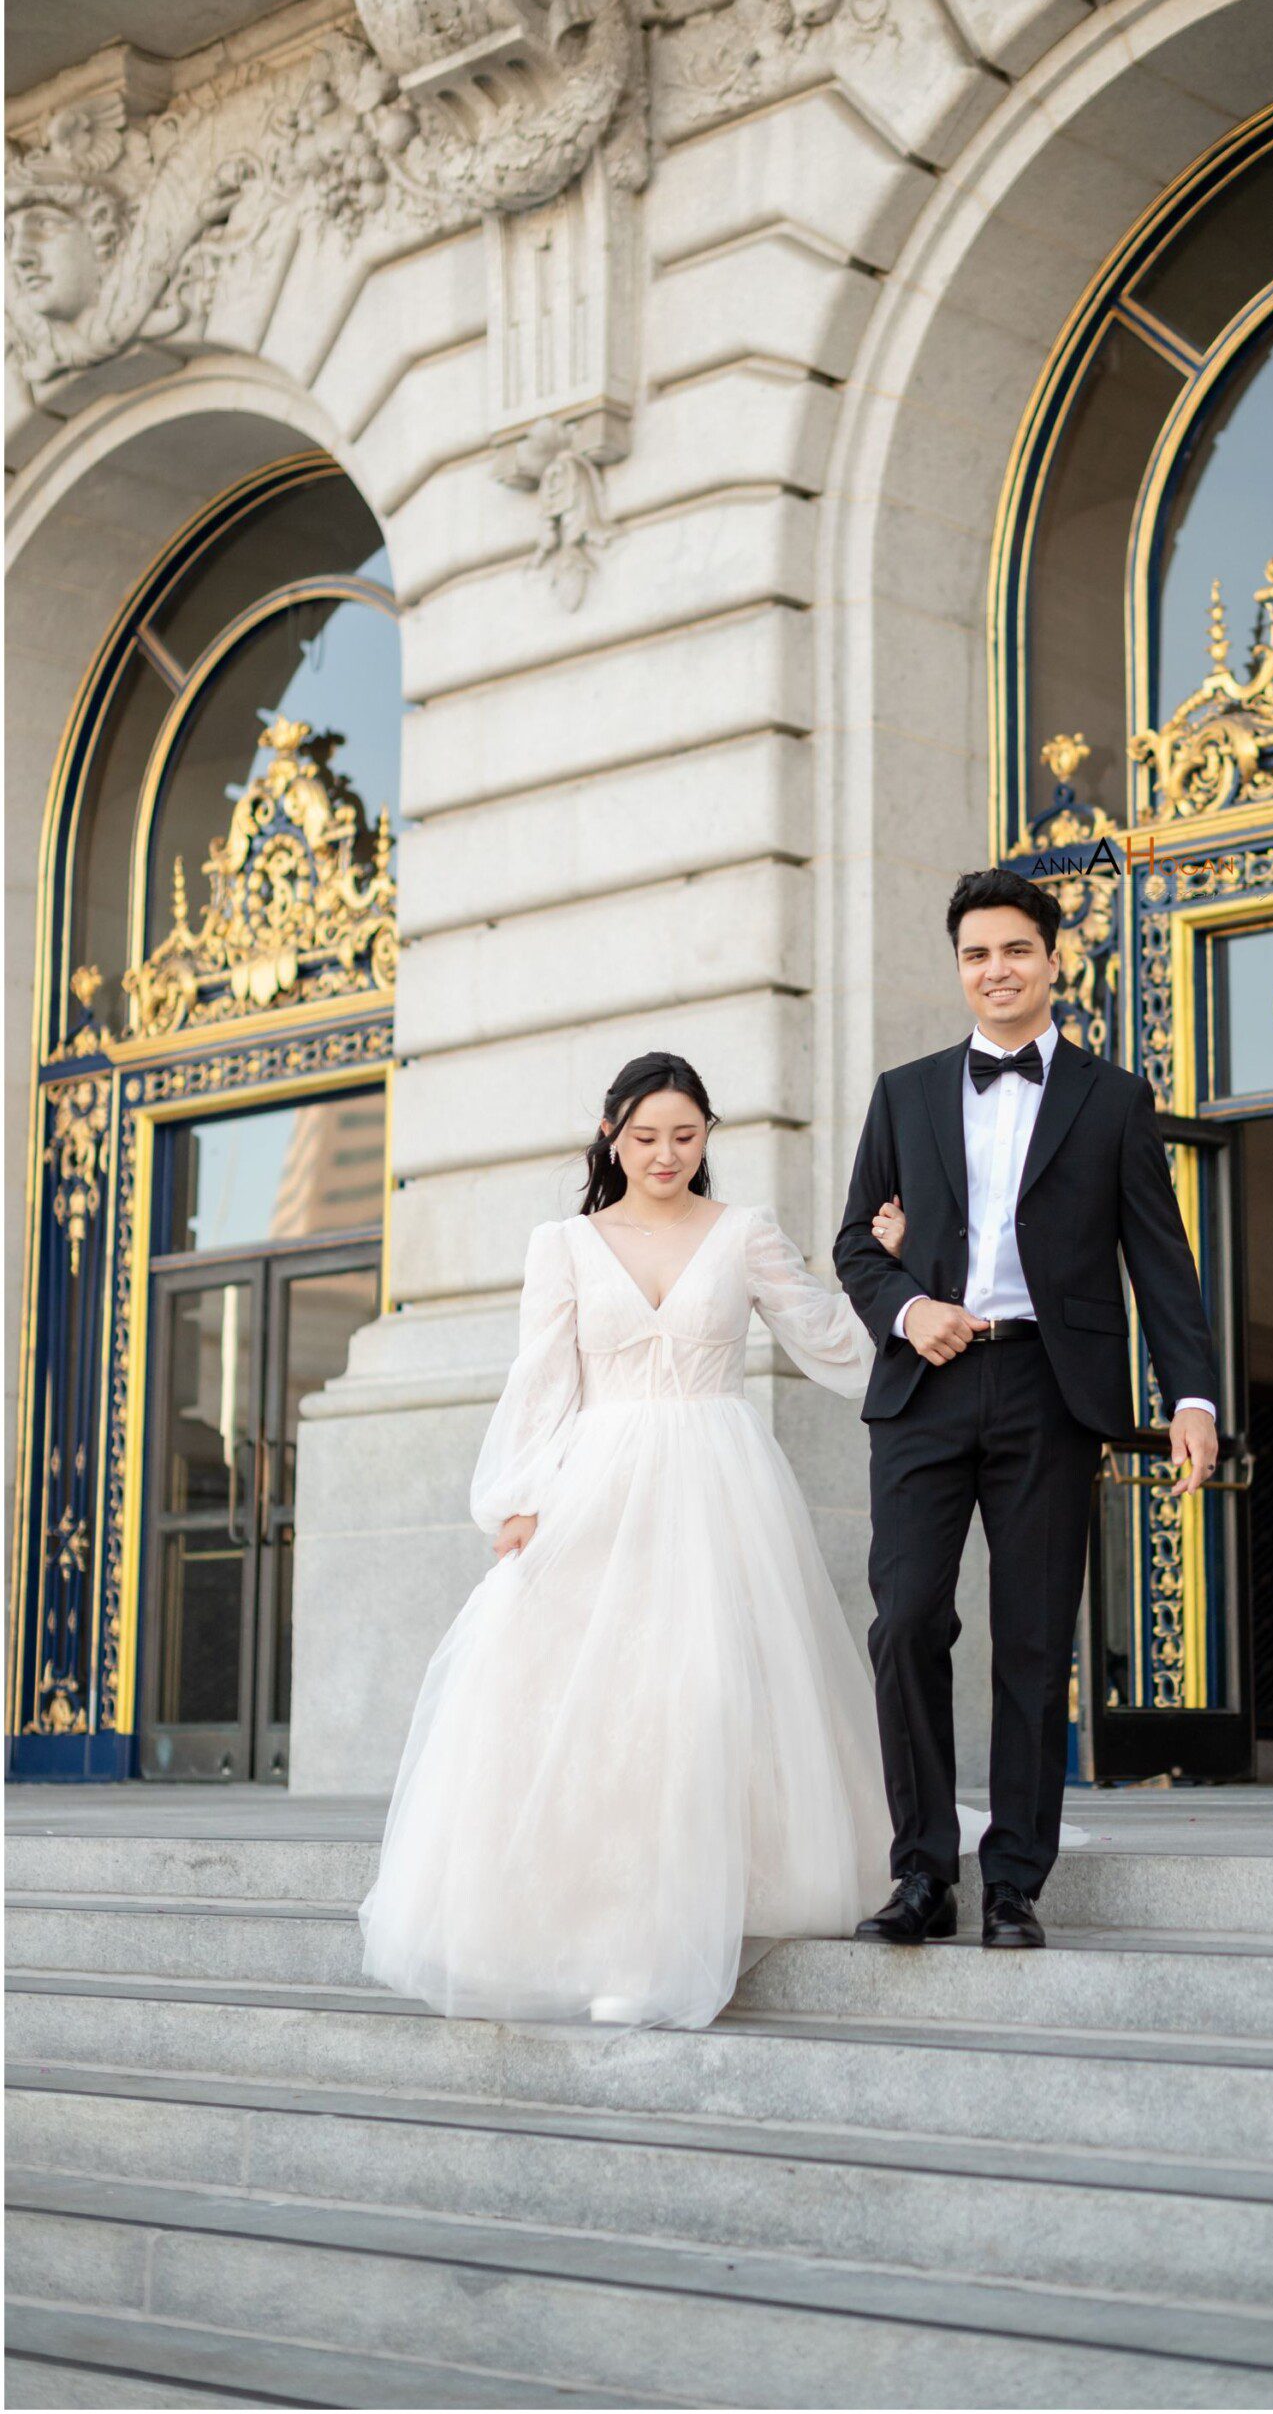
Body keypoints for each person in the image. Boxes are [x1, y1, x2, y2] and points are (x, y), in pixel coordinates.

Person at [357, 1052, 918, 2031]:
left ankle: (694, 1910)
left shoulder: (742, 1234)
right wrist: (517, 1500)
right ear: (611, 1135)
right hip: (597, 1487)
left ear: (707, 1137)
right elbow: (538, 1381)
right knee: (602, 1706)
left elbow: (830, 1337)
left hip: (718, 1481)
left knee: (703, 1694)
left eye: (685, 1135)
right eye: (646, 1135)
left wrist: (900, 1276)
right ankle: (609, 1925)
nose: (665, 1154)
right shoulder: (563, 1244)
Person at [834, 869, 1222, 1952]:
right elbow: (854, 1245)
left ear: (1052, 959)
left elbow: (1160, 1258)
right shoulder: (903, 1093)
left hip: (1051, 1390)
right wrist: (909, 1309)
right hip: (925, 1388)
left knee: (1030, 1641)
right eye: (974, 954)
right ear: (957, 967)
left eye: (1013, 950)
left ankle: (1012, 1881)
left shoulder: (1111, 1099)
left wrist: (1188, 1393)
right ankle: (920, 1873)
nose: (994, 970)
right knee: (906, 1619)